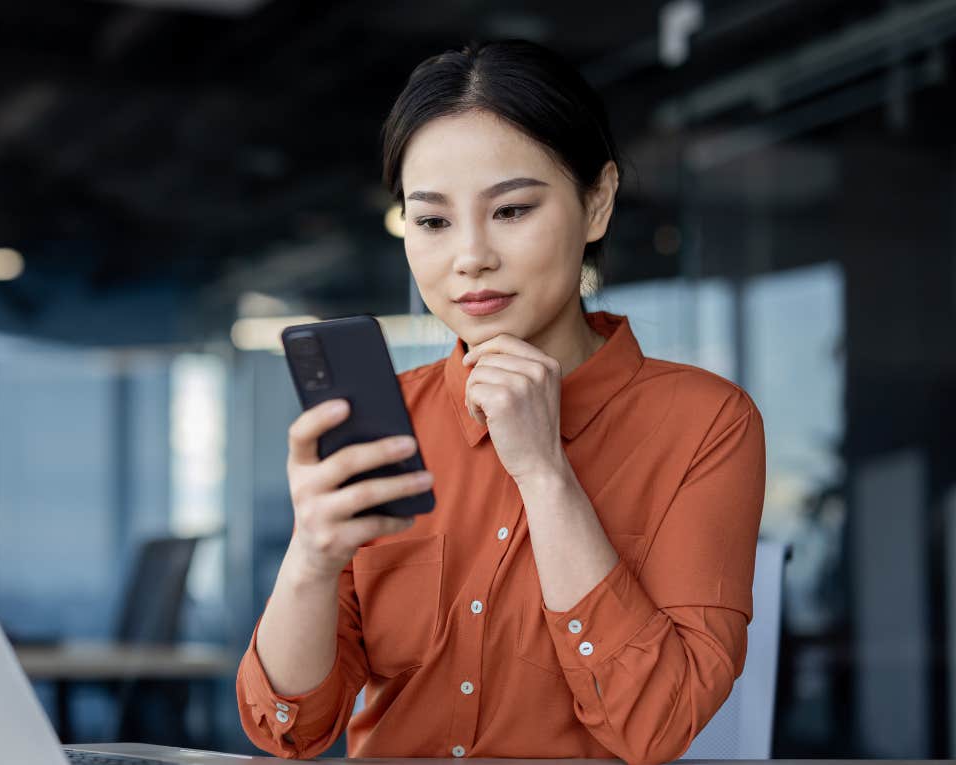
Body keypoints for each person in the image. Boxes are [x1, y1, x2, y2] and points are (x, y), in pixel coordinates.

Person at [234, 39, 766, 765]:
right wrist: (312, 558)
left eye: (511, 209)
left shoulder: (705, 423)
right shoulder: (387, 422)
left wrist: (546, 474)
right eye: (431, 221)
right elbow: (290, 727)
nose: (470, 256)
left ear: (598, 202)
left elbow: (656, 725)